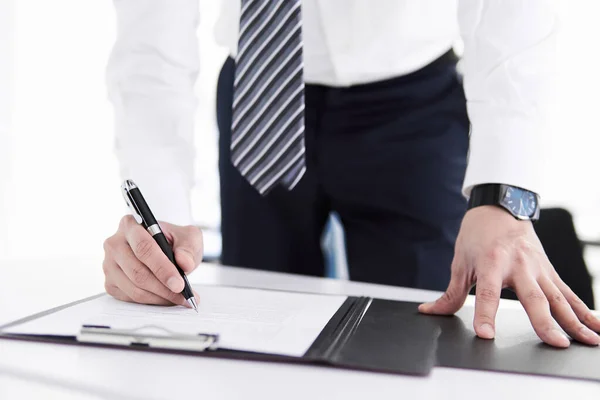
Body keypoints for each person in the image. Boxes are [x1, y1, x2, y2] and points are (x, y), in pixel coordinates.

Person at [101, 0, 600, 348]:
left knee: (416, 339)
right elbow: (151, 39)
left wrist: (502, 190)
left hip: (411, 101)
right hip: (260, 91)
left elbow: (510, 10)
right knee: (252, 337)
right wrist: (156, 224)